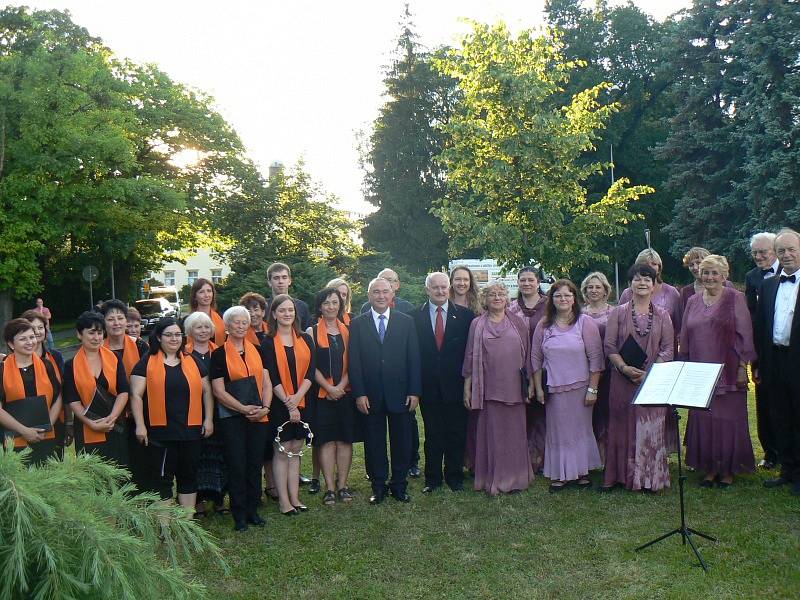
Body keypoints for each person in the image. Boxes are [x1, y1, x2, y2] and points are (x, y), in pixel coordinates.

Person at [681, 255, 756, 488]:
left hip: (729, 371)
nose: (709, 277)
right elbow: (685, 334)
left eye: (715, 273)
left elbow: (745, 334)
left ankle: (727, 470)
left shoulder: (736, 298)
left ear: (725, 275)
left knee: (727, 420)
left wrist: (744, 367)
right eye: (706, 273)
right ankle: (709, 468)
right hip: (699, 371)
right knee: (704, 417)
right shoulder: (692, 301)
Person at [349, 277, 421, 504]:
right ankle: (378, 486)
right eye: (376, 292)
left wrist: (414, 391)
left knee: (402, 441)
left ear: (392, 295)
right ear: (369, 295)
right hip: (370, 395)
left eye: (385, 292)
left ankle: (399, 485)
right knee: (374, 442)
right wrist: (359, 393)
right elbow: (354, 361)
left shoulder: (406, 321)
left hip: (400, 393)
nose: (381, 296)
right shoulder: (358, 323)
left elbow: (414, 358)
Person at [130, 318, 215, 509]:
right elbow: (135, 394)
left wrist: (208, 419)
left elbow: (207, 390)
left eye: (178, 334)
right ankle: (166, 529)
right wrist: (140, 425)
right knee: (162, 481)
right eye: (169, 335)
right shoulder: (146, 363)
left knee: (188, 477)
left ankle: (186, 525)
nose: (174, 339)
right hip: (161, 434)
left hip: (190, 432)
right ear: (159, 337)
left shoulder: (192, 361)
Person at [603, 265, 674, 492]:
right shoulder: (618, 312)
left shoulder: (663, 315)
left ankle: (648, 478)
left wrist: (650, 373)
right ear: (630, 284)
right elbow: (609, 345)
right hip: (622, 380)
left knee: (650, 426)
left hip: (652, 381)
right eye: (637, 279)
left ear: (654, 285)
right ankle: (622, 476)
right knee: (622, 425)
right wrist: (624, 368)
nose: (642, 283)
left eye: (647, 279)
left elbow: (668, 348)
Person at [532, 280, 603, 492]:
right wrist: (536, 388)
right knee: (558, 432)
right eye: (558, 296)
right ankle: (560, 474)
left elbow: (596, 359)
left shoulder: (585, 323)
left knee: (581, 431)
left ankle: (581, 472)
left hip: (581, 389)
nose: (563, 299)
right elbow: (535, 359)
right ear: (551, 300)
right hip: (554, 389)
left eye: (567, 295)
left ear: (574, 299)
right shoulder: (544, 325)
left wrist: (593, 389)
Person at [463, 281, 533, 495]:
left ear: (507, 298)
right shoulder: (477, 324)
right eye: (492, 294)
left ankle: (516, 478)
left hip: (514, 387)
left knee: (514, 434)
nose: (496, 298)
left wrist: (530, 384)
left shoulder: (519, 323)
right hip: (488, 389)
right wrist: (467, 387)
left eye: (500, 294)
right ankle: (491, 477)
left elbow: (528, 356)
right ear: (485, 299)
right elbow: (470, 357)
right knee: (492, 435)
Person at [210, 306, 272, 531]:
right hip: (233, 418)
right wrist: (244, 409)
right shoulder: (218, 355)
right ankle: (239, 514)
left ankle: (252, 510)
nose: (240, 326)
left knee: (255, 463)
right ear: (226, 326)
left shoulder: (258, 349)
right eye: (235, 322)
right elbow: (218, 391)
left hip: (258, 415)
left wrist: (265, 407)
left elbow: (266, 382)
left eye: (244, 322)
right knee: (237, 464)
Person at [413, 272, 474, 493]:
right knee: (433, 434)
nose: (440, 291)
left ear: (449, 288)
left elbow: (470, 353)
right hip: (428, 387)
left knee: (456, 432)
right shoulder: (415, 316)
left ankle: (455, 476)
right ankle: (433, 478)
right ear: (427, 289)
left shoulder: (466, 316)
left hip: (457, 386)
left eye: (443, 287)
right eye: (435, 287)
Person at [755, 229, 800, 497]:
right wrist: (760, 362)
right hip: (774, 359)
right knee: (780, 416)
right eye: (781, 250)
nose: (786, 255)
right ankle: (787, 470)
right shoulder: (768, 285)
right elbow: (761, 327)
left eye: (791, 249)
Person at [262, 294, 315, 515]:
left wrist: (298, 398)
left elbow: (311, 371)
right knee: (282, 450)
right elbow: (271, 377)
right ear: (274, 314)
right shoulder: (267, 343)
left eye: (290, 310)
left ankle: (295, 497)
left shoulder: (305, 339)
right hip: (279, 403)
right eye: (282, 310)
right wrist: (289, 403)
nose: (287, 314)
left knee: (296, 449)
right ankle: (284, 501)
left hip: (303, 400)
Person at [307, 287, 359, 504]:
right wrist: (329, 388)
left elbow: (354, 363)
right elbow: (311, 367)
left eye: (335, 303)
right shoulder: (310, 332)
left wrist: (340, 387)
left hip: (345, 394)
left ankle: (343, 485)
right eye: (326, 303)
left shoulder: (348, 330)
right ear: (320, 306)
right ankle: (329, 487)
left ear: (341, 305)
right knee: (327, 441)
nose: (331, 307)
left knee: (345, 441)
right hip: (322, 396)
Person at [63, 312, 129, 465]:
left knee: (119, 473)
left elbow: (123, 391)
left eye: (100, 333)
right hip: (87, 427)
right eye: (91, 333)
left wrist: (112, 418)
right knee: (93, 476)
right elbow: (72, 399)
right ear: (79, 334)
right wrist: (91, 423)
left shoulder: (114, 358)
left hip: (115, 424)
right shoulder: (70, 365)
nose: (96, 337)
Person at [100, 299, 149, 488]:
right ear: (104, 322)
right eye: (111, 319)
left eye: (120, 318)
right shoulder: (98, 348)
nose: (116, 323)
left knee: (140, 459)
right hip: (110, 413)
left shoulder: (140, 346)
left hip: (138, 412)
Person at [183, 311, 228, 516]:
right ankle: (198, 501)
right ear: (190, 331)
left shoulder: (220, 352)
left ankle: (219, 499)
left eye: (206, 327)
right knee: (195, 458)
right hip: (193, 411)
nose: (203, 330)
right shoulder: (183, 354)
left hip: (220, 411)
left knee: (220, 456)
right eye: (198, 327)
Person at [0, 318, 62, 465]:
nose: (30, 342)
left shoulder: (46, 365)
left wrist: (48, 425)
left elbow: (58, 396)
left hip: (46, 436)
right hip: (15, 438)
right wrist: (24, 430)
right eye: (23, 339)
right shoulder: (2, 370)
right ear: (10, 344)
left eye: (31, 337)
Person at [745, 232, 780, 469]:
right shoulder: (752, 277)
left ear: (775, 251)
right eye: (755, 253)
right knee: (764, 401)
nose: (759, 256)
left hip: (790, 349)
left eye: (763, 252)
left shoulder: (794, 273)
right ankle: (770, 453)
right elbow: (752, 315)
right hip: (764, 351)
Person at [509, 267, 548, 474]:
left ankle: (542, 459)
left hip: (546, 366)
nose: (526, 283)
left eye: (530, 280)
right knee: (523, 413)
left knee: (543, 414)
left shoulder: (550, 305)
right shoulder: (511, 307)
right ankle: (523, 458)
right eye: (522, 280)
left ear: (538, 281)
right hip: (519, 367)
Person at [21, 309, 68, 454]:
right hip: (24, 424)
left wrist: (69, 423)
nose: (37, 332)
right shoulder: (13, 361)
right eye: (32, 328)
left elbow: (63, 390)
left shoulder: (56, 356)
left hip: (55, 421)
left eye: (40, 327)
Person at [580, 272, 614, 463]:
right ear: (585, 290)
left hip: (609, 370)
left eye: (597, 287)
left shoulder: (614, 312)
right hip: (583, 369)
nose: (593, 290)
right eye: (590, 287)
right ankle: (590, 456)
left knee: (605, 412)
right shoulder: (579, 313)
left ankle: (607, 455)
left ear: (605, 290)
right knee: (587, 413)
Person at [266, 262, 312, 331]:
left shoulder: (302, 306)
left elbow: (306, 333)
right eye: (276, 278)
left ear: (290, 280)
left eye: (284, 277)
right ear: (269, 282)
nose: (281, 281)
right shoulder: (263, 307)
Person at [189, 278, 226, 346]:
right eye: (201, 292)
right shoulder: (188, 320)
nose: (206, 295)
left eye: (209, 291)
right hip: (194, 356)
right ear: (195, 297)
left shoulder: (221, 318)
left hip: (217, 355)